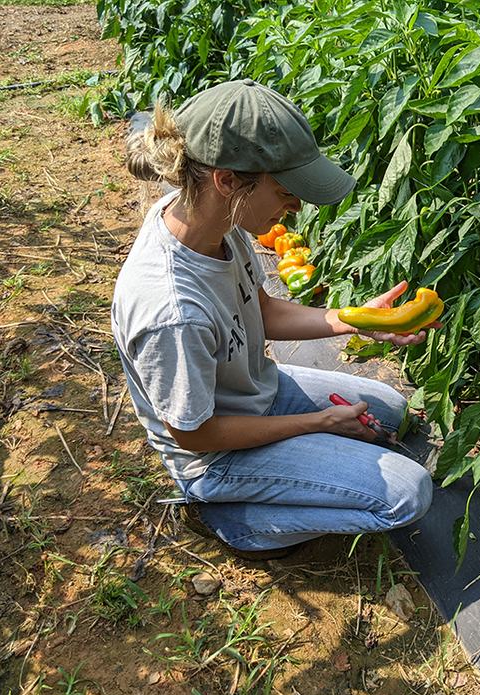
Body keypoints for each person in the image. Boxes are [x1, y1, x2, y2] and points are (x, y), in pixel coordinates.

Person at [113, 79, 434, 560]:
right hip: (215, 454)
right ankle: (236, 522)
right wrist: (319, 421)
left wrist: (355, 321)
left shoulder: (215, 221)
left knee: (391, 409)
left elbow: (262, 309)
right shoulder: (172, 310)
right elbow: (194, 434)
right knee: (409, 493)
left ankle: (289, 469)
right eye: (286, 191)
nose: (298, 206)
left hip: (253, 393)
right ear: (226, 180)